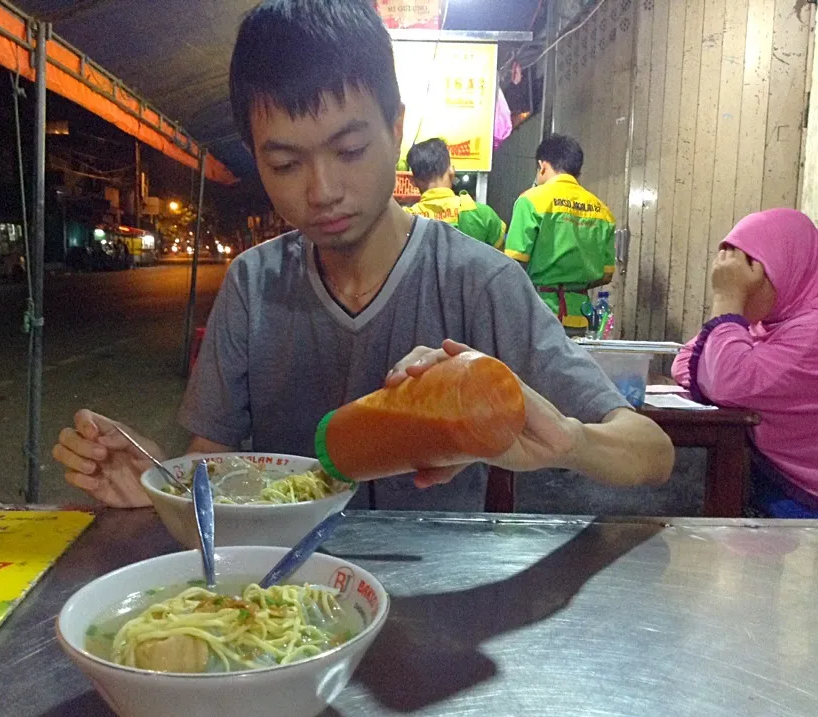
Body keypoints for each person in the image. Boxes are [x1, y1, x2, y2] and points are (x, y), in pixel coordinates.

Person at [52, 0, 673, 511]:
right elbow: (211, 457)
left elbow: (649, 451)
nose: (321, 190)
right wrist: (157, 487)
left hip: (436, 610)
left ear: (395, 128)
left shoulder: (481, 283)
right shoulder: (253, 283)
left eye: (349, 150)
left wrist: (566, 441)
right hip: (282, 607)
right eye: (285, 163)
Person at [672, 209, 818, 518]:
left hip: (804, 502)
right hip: (770, 482)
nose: (738, 286)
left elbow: (725, 381)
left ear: (787, 268)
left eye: (746, 275)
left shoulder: (811, 333)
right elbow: (686, 361)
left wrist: (727, 298)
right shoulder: (771, 322)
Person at [504, 134, 616, 334]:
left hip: (539, 315)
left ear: (543, 165)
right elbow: (606, 274)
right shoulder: (602, 211)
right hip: (581, 319)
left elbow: (514, 264)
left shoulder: (531, 201)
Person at [403, 138, 506, 248]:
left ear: (413, 182)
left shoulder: (404, 220)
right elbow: (502, 257)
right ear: (451, 171)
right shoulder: (483, 215)